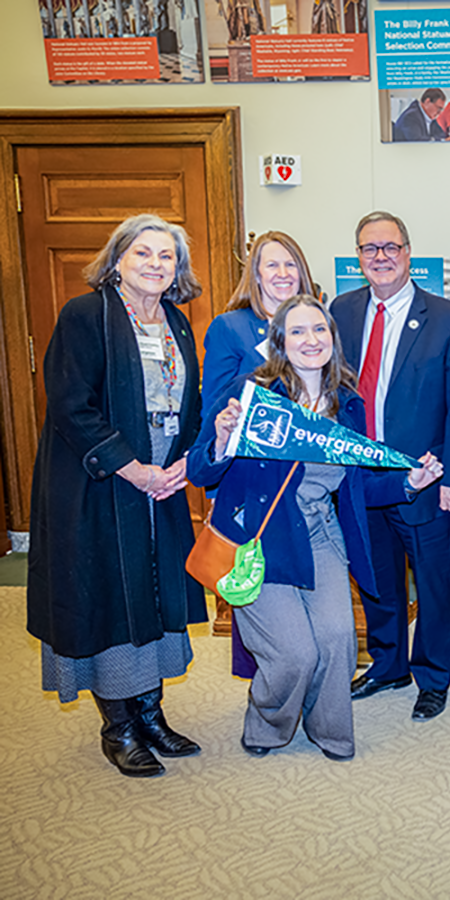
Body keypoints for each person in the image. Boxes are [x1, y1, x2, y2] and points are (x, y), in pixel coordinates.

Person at [188, 295, 445, 761]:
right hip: (261, 540)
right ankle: (267, 725)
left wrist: (410, 483)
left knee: (337, 641)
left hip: (321, 535)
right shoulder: (252, 393)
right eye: (298, 331)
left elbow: (357, 487)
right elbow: (201, 471)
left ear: (332, 338)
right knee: (294, 655)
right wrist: (223, 440)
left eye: (319, 329)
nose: (311, 340)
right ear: (280, 342)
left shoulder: (348, 404)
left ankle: (330, 730)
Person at [27, 213, 206, 778]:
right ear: (118, 260)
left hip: (160, 486)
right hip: (100, 485)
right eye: (143, 253)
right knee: (110, 598)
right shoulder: (85, 315)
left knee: (152, 591)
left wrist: (181, 464)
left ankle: (150, 714)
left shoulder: (176, 322)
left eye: (166, 256)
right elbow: (70, 405)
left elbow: (187, 403)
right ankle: (119, 728)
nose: (155, 264)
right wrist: (134, 470)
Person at [331, 212, 450, 722]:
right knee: (376, 577)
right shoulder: (342, 311)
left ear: (408, 253)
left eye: (390, 247)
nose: (381, 257)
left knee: (434, 583)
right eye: (370, 249)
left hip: (425, 478)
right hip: (361, 475)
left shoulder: (449, 319)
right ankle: (388, 664)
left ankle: (433, 676)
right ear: (359, 257)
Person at [202, 230, 318, 680]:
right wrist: (216, 490)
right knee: (256, 589)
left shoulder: (316, 321)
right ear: (255, 273)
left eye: (290, 264)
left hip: (306, 484)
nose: (283, 273)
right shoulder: (230, 327)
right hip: (253, 486)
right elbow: (213, 411)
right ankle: (269, 690)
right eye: (272, 264)